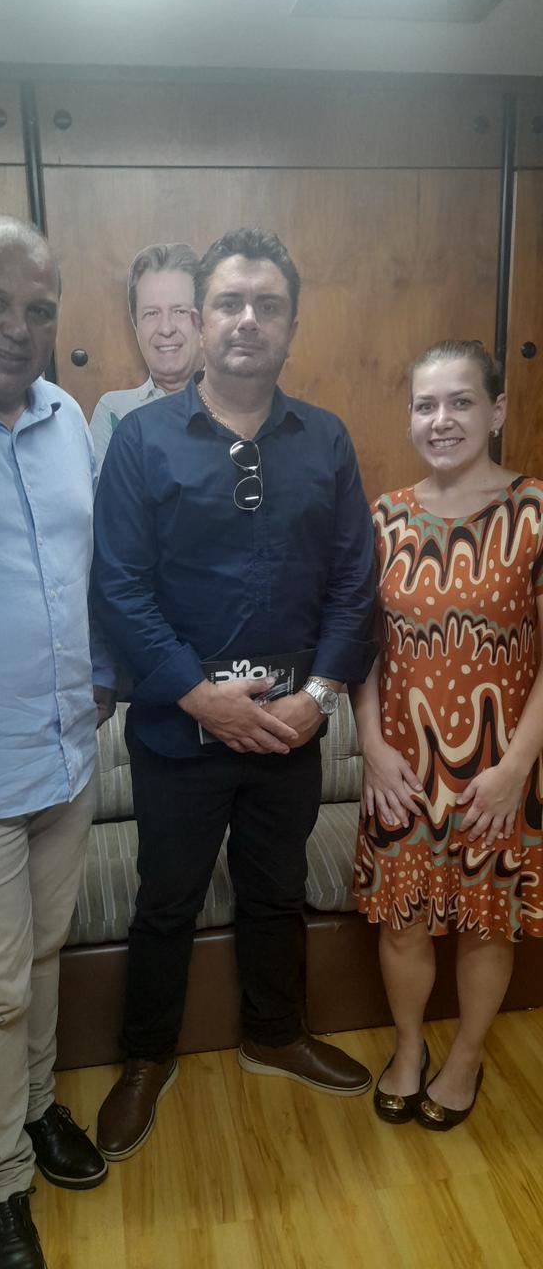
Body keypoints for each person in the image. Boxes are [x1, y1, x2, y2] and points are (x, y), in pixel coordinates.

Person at [90, 227, 378, 1162]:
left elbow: (354, 583)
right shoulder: (141, 441)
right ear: (202, 319)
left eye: (268, 304)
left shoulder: (326, 439)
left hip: (292, 730)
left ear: (291, 324)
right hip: (179, 734)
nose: (247, 319)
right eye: (229, 302)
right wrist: (196, 696)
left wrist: (319, 697)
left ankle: (275, 1033)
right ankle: (146, 1058)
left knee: (275, 890)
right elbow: (119, 587)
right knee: (166, 899)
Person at [0, 216, 115, 1269]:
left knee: (47, 953)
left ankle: (32, 1107)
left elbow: (93, 563)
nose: (17, 328)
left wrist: (102, 673)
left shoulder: (68, 420)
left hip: (67, 754)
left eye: (38, 309)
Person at [353, 339, 543, 1131]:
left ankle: (465, 1058)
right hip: (401, 766)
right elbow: (361, 646)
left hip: (499, 770)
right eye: (425, 405)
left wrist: (517, 768)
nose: (441, 420)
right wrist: (371, 748)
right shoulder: (384, 517)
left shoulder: (534, 511)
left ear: (496, 411)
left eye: (461, 402)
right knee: (402, 921)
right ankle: (409, 1049)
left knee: (485, 922)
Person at [89, 242, 203, 471]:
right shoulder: (113, 411)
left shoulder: (234, 405)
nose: (166, 328)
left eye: (179, 311)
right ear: (135, 323)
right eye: (151, 313)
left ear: (203, 320)